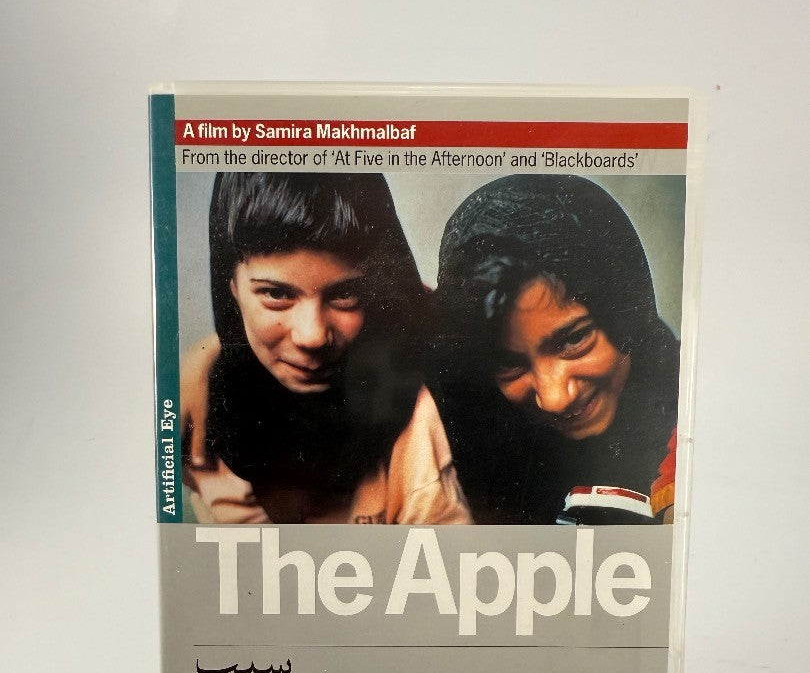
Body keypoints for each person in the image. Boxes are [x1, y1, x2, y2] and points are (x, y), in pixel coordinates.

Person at [181, 172, 470, 525]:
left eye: (345, 294)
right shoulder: (202, 418)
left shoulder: (417, 405)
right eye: (277, 294)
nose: (313, 336)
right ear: (231, 289)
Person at [431, 174, 680, 524]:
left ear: (627, 309)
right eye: (509, 363)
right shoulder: (469, 436)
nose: (554, 399)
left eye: (574, 340)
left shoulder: (699, 414)